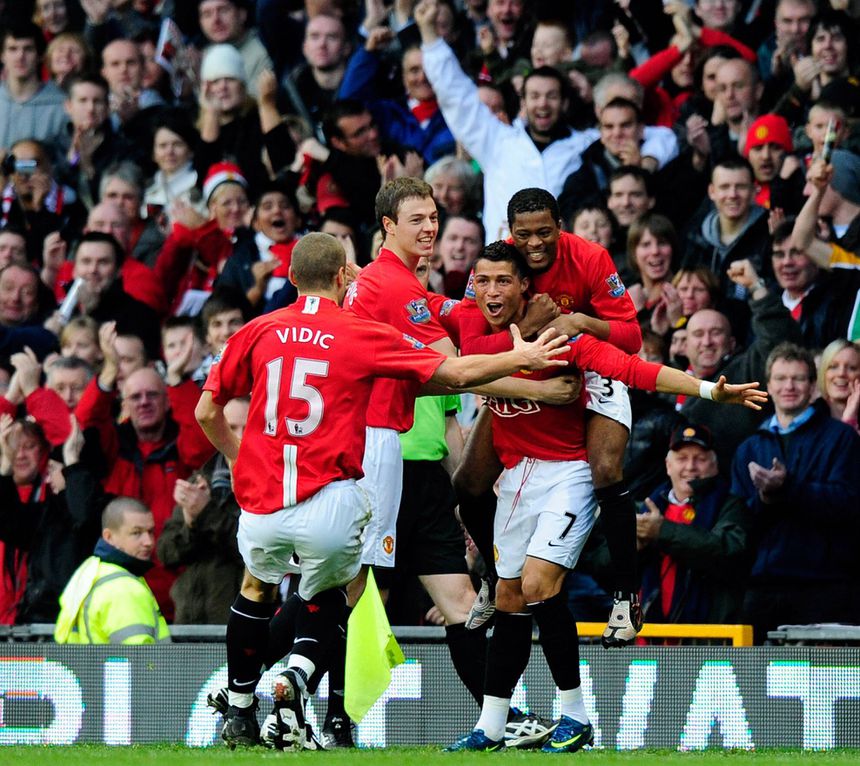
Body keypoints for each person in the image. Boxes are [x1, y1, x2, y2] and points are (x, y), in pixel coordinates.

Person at [194, 231, 570, 749]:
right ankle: (301, 682)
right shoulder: (360, 330)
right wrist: (518, 355)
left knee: (259, 591)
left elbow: (205, 411)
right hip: (342, 486)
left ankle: (240, 704)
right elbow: (454, 371)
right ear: (346, 276)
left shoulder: (257, 329)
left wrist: (239, 461)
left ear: (289, 277)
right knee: (336, 590)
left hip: (266, 501)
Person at [447, 242, 765, 752]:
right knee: (508, 595)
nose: (491, 291)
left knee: (536, 584)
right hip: (517, 475)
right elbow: (453, 356)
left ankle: (576, 715)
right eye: (482, 282)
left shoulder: (561, 336)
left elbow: (637, 369)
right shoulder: (478, 335)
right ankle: (490, 727)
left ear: (526, 286)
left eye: (503, 281)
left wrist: (708, 390)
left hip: (567, 473)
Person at [454, 187, 644, 647]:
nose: (535, 244)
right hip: (526, 376)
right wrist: (532, 333)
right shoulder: (497, 267)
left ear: (561, 227)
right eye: (524, 235)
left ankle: (626, 595)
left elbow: (631, 338)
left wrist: (580, 321)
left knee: (605, 470)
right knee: (467, 484)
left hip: (591, 365)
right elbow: (469, 342)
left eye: (545, 233)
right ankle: (493, 577)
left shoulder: (592, 258)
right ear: (510, 233)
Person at [415, 0, 677, 243]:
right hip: (504, 273)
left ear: (564, 103)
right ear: (523, 102)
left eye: (551, 96)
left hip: (560, 275)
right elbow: (456, 96)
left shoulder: (583, 144)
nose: (543, 103)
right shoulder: (497, 141)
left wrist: (648, 160)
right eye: (535, 96)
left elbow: (664, 137)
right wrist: (430, 39)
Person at [731, 343, 860, 643]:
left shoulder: (841, 438)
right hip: (763, 585)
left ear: (813, 386)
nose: (789, 386)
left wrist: (788, 489)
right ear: (768, 386)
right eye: (781, 378)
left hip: (827, 585)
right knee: (756, 684)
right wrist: (765, 499)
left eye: (798, 378)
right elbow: (740, 522)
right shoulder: (749, 447)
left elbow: (848, 504)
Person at [630, 424, 750, 625]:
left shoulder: (732, 505)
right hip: (648, 634)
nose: (690, 467)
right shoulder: (646, 508)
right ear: (668, 466)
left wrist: (662, 531)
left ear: (715, 465)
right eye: (682, 458)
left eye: (700, 459)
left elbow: (726, 552)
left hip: (707, 636)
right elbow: (607, 566)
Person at [54, 496, 170, 644]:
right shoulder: (125, 588)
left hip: (90, 666)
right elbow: (138, 659)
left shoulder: (92, 570)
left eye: (151, 532)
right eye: (136, 533)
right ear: (109, 537)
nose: (148, 542)